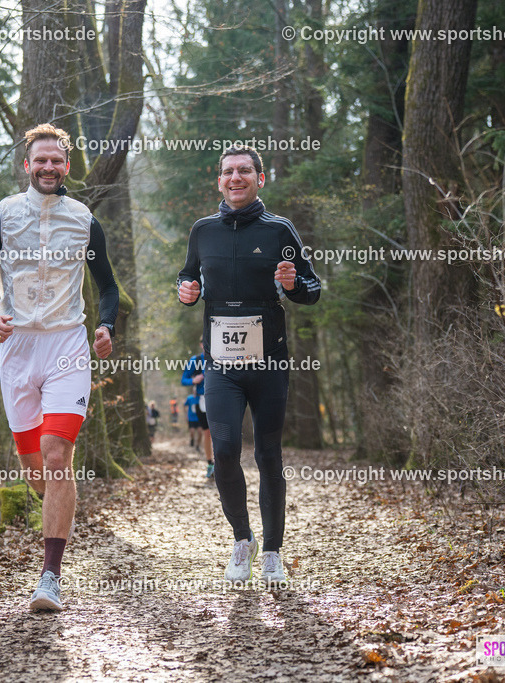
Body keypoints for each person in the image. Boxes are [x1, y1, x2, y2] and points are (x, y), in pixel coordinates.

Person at [0, 123, 118, 611]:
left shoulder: (84, 219)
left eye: (57, 160)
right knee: (37, 469)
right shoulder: (3, 216)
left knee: (56, 455)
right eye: (40, 160)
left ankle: (50, 576)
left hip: (68, 345)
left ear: (66, 166)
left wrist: (106, 325)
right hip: (18, 351)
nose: (49, 167)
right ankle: (58, 512)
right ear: (27, 166)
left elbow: (108, 287)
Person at [177, 146, 320, 586]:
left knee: (268, 454)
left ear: (261, 177)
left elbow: (312, 289)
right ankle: (243, 539)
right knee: (222, 451)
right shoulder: (203, 230)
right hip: (221, 365)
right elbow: (188, 277)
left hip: (269, 362)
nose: (235, 177)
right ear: (218, 180)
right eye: (227, 172)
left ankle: (273, 550)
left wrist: (294, 285)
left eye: (244, 171)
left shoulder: (279, 229)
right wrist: (186, 290)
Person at [182, 340, 213, 477]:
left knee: (220, 432)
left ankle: (224, 462)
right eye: (204, 342)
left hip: (221, 398)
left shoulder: (222, 357)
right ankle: (210, 464)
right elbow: (184, 379)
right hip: (202, 400)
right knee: (207, 433)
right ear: (201, 344)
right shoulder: (196, 360)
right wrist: (194, 380)